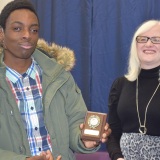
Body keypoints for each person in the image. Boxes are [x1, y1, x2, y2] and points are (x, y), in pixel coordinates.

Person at [0, 0, 111, 160]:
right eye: (17, 28)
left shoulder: (60, 77)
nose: (27, 35)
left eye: (34, 30)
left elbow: (76, 120)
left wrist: (84, 139)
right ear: (1, 34)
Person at [106, 19, 160, 160]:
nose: (149, 44)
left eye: (156, 39)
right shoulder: (120, 84)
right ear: (135, 45)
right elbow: (112, 132)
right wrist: (117, 157)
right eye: (143, 39)